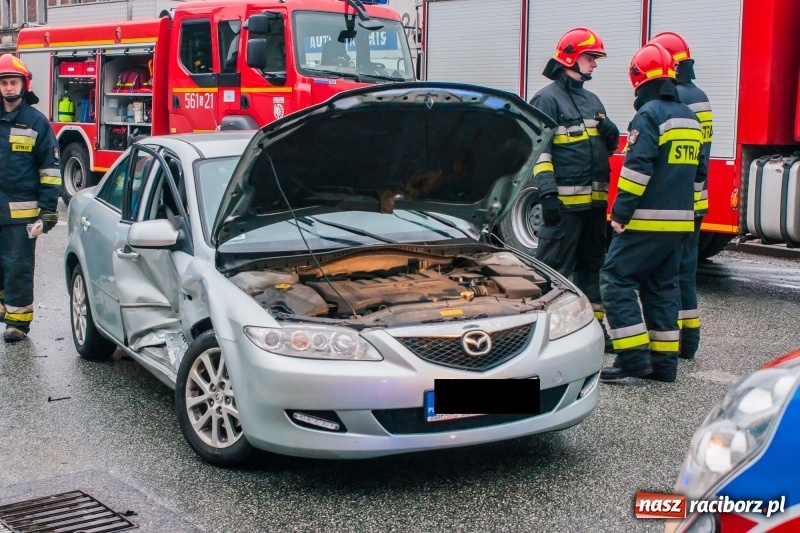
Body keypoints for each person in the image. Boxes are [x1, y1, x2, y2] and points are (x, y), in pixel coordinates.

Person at [599, 43, 708, 382]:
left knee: (615, 280)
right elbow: (700, 171)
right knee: (662, 288)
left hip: (645, 220)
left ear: (639, 78)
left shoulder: (648, 115)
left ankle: (632, 359)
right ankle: (663, 365)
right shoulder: (689, 117)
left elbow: (636, 170)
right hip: (680, 223)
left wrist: (619, 214)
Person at [528, 27, 619, 348]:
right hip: (563, 208)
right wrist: (548, 194)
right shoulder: (546, 99)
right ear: (569, 57)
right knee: (552, 272)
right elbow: (539, 154)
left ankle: (592, 332)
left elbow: (605, 150)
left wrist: (611, 133)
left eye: (595, 58)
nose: (594, 64)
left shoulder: (592, 100)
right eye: (590, 57)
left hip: (594, 208)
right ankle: (540, 333)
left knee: (592, 271)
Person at [648, 32, 713, 361]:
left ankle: (671, 345)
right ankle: (689, 342)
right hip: (697, 203)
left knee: (668, 275)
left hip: (677, 203)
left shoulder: (678, 99)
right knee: (687, 274)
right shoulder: (699, 95)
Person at [0, 54, 60, 342]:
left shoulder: (37, 123)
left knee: (17, 267)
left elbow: (49, 170)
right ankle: (4, 306)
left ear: (24, 85)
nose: (9, 88)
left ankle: (18, 322)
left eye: (13, 82)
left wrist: (47, 212)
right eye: (4, 83)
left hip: (21, 214)